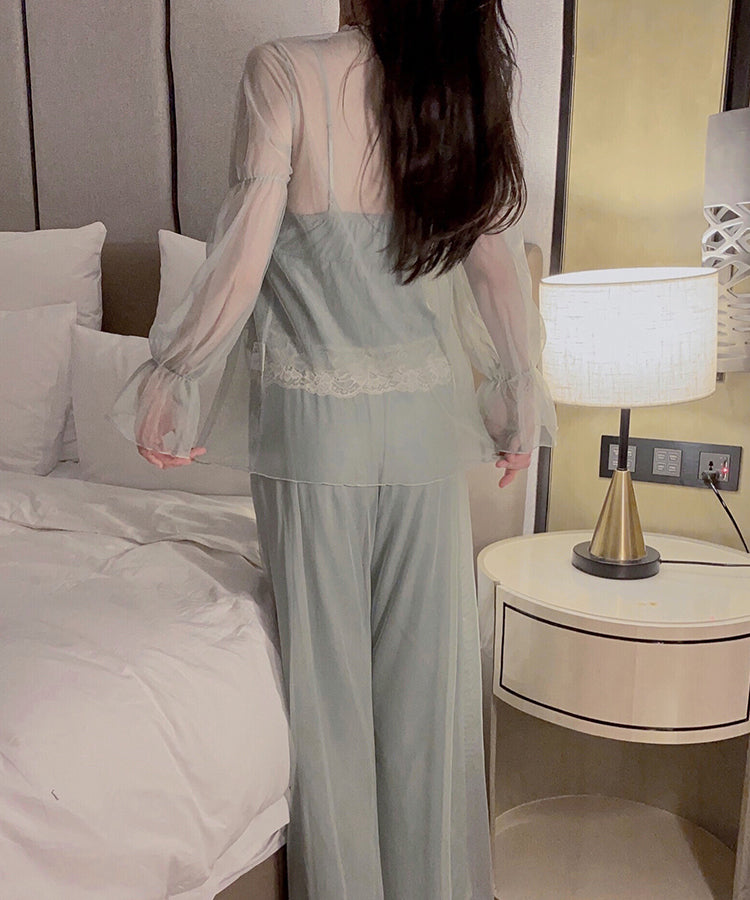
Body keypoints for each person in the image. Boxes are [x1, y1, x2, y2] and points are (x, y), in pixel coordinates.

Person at [110, 0, 556, 896]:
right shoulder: (454, 92)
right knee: (430, 698)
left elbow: (243, 252)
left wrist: (177, 377)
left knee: (333, 704)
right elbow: (494, 266)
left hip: (316, 431)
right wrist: (517, 396)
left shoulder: (283, 69)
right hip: (422, 428)